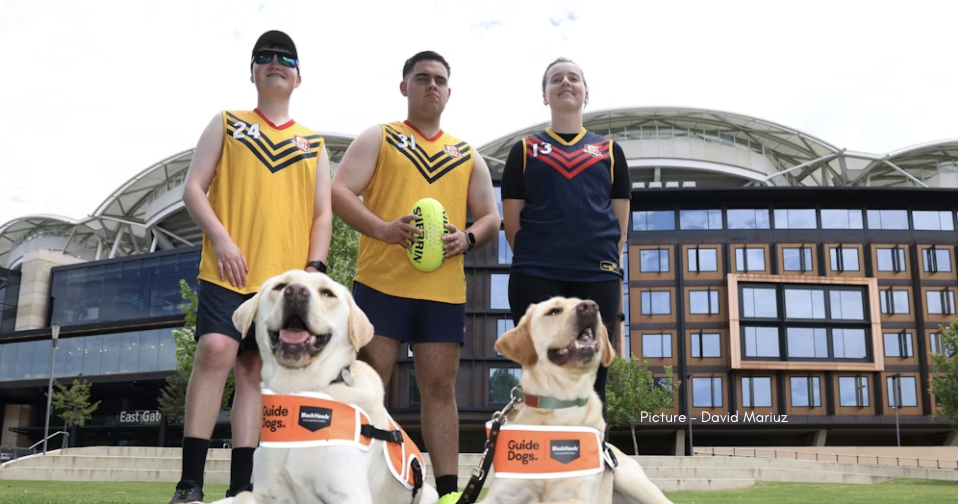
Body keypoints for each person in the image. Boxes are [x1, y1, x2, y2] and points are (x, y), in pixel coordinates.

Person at [168, 30, 333, 504]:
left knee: (253, 372)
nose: (275, 62)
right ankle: (190, 483)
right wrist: (221, 239)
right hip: (228, 271)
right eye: (265, 56)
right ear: (253, 71)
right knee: (216, 351)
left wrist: (313, 271)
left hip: (280, 286)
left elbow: (322, 213)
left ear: (299, 77)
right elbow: (193, 189)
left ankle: (243, 485)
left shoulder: (312, 144)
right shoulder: (227, 123)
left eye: (285, 57)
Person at [330, 50, 500, 501]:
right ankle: (355, 482)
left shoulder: (467, 155)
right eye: (421, 78)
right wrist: (384, 229)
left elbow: (491, 218)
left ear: (449, 91)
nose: (431, 85)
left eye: (439, 80)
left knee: (440, 388)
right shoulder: (380, 137)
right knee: (369, 381)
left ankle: (447, 492)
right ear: (404, 87)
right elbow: (339, 192)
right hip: (380, 283)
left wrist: (466, 239)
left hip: (442, 291)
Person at [500, 57, 632, 436]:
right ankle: (541, 457)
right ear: (545, 95)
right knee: (540, 370)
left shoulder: (609, 152)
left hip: (597, 273)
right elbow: (513, 223)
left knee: (595, 375)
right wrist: (542, 255)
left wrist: (600, 257)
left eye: (574, 78)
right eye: (556, 79)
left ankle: (593, 463)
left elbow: (620, 223)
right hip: (536, 272)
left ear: (586, 93)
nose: (565, 83)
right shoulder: (524, 150)